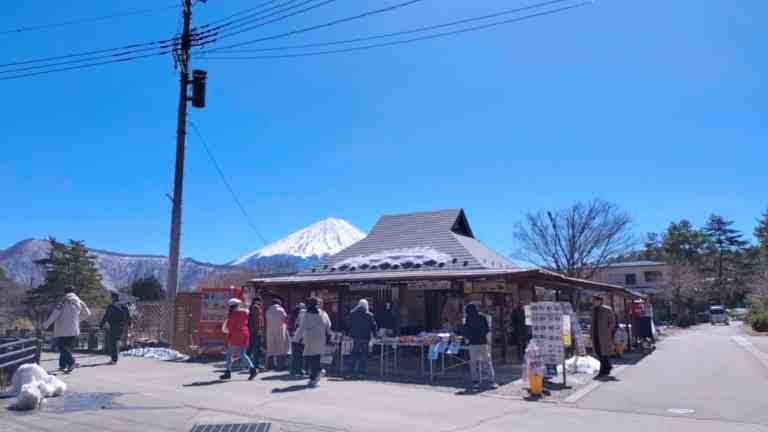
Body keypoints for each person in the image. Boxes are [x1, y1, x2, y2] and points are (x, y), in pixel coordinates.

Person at [43, 287, 91, 374]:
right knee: (66, 348)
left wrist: (46, 324)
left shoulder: (64, 300)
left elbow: (55, 313)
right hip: (74, 328)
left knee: (62, 347)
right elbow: (88, 314)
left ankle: (72, 362)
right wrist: (77, 320)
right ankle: (63, 366)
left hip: (62, 328)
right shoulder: (80, 301)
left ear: (65, 292)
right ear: (74, 292)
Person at [295, 297, 332, 387]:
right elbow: (328, 325)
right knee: (316, 357)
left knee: (310, 358)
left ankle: (316, 373)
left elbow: (302, 327)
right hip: (321, 338)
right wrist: (328, 334)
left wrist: (296, 339)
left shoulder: (307, 314)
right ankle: (314, 376)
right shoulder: (323, 313)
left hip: (310, 339)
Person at [220, 298, 257, 381]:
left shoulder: (232, 315)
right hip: (245, 334)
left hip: (235, 336)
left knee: (229, 354)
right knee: (242, 354)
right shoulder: (245, 312)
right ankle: (252, 369)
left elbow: (228, 328)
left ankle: (227, 372)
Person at [462, 303, 497, 390]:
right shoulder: (482, 317)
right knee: (487, 362)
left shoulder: (468, 318)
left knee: (473, 363)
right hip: (483, 342)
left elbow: (466, 331)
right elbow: (487, 330)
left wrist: (468, 338)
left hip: (472, 343)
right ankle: (491, 381)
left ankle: (475, 382)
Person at [346, 299, 378, 379]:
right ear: (366, 306)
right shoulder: (369, 315)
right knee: (363, 356)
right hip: (365, 338)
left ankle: (349, 372)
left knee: (353, 355)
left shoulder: (352, 313)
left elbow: (348, 324)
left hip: (355, 337)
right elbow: (373, 326)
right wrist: (375, 335)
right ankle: (361, 373)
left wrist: (348, 334)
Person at [99, 292, 131, 365]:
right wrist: (129, 324)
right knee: (116, 340)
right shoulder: (124, 305)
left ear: (113, 298)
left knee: (112, 341)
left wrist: (101, 325)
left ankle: (114, 359)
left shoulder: (111, 306)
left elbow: (106, 316)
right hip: (121, 325)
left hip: (114, 325)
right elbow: (128, 315)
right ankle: (115, 358)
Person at [591, 295, 617, 378]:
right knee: (599, 352)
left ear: (600, 301)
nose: (594, 302)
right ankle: (608, 366)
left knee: (603, 352)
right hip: (595, 333)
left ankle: (602, 371)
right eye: (593, 300)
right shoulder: (593, 310)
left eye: (595, 300)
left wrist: (608, 331)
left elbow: (613, 322)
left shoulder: (607, 310)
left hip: (604, 335)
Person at [265, 298, 290, 370]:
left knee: (270, 349)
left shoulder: (268, 310)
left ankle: (270, 366)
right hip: (280, 330)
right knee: (281, 348)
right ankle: (280, 366)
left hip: (270, 331)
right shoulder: (281, 310)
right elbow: (285, 319)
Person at [289, 302, 307, 376]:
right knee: (300, 354)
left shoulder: (293, 315)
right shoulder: (303, 313)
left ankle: (293, 370)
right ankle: (299, 370)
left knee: (295, 354)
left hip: (294, 336)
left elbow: (291, 326)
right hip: (301, 336)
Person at [247, 296, 264, 369]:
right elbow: (257, 320)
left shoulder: (250, 307)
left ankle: (248, 363)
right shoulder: (256, 307)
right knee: (256, 348)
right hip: (256, 331)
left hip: (250, 330)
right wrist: (259, 330)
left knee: (250, 348)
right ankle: (256, 364)